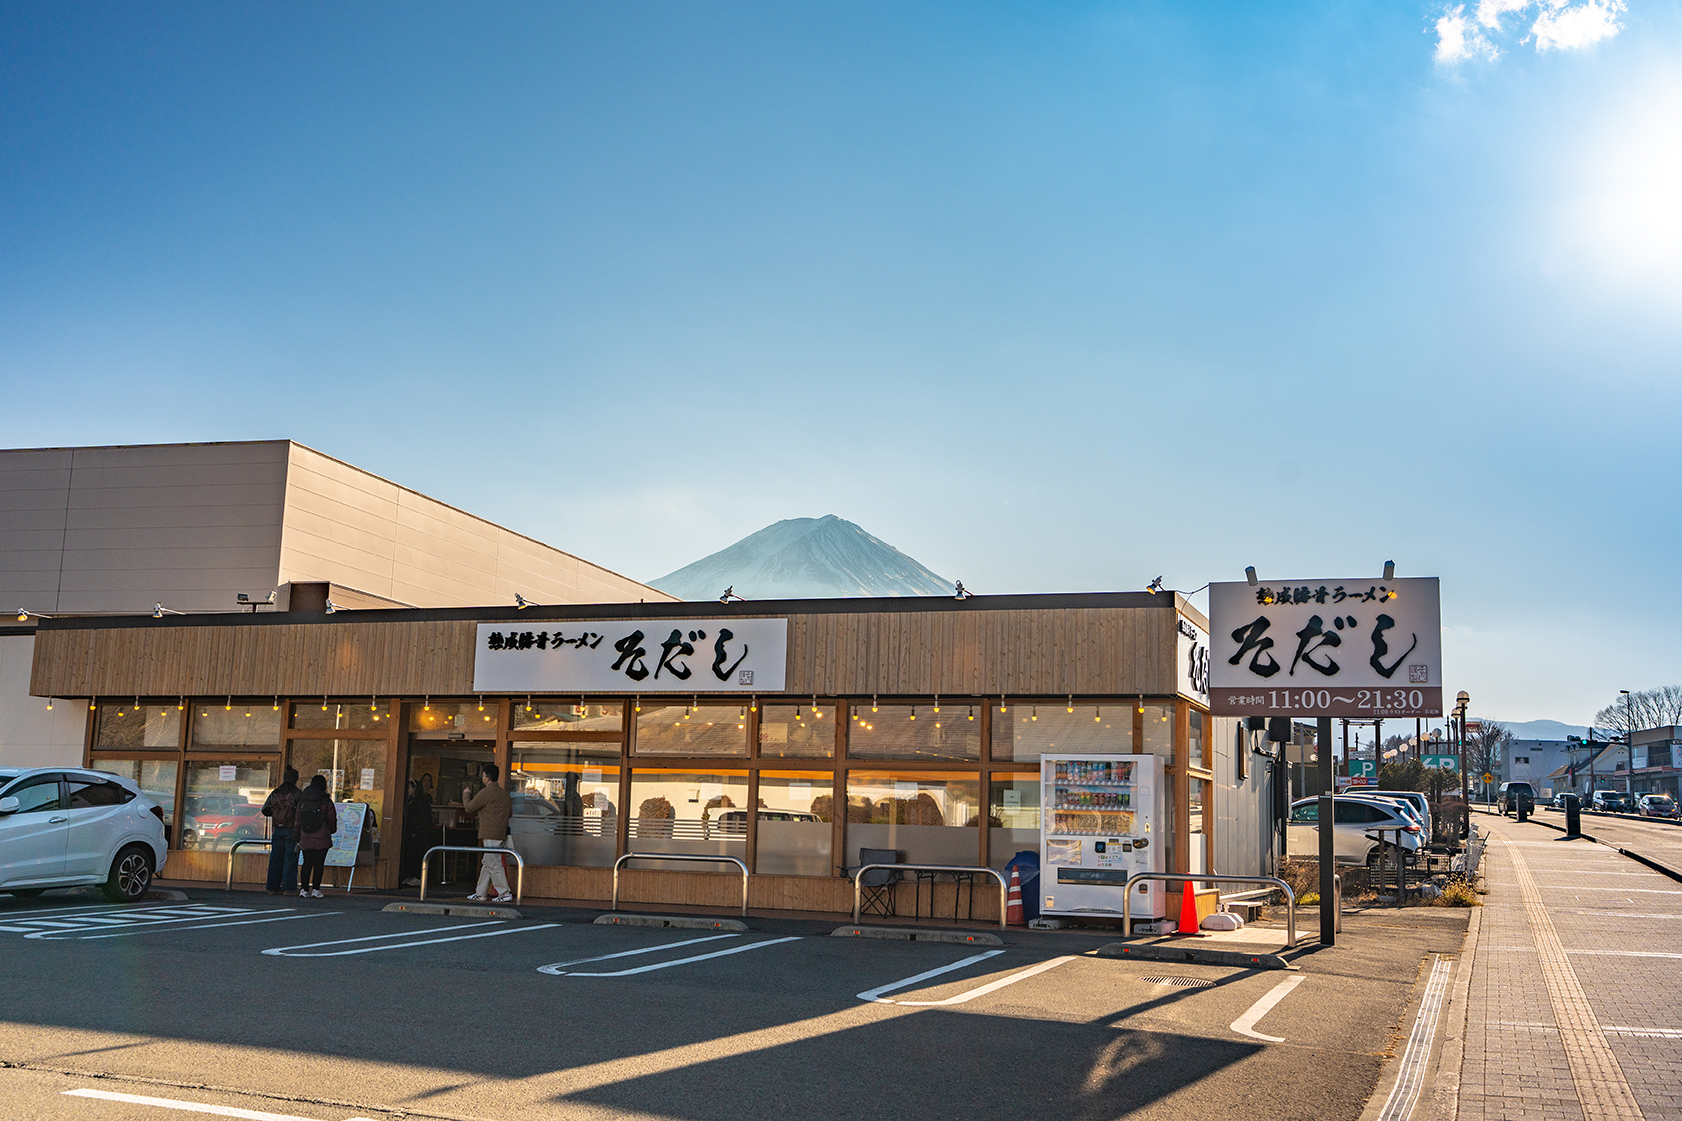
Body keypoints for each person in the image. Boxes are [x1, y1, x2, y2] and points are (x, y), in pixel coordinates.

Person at [460, 762, 513, 902]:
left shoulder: (485, 793)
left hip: (489, 833)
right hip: (500, 833)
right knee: (488, 862)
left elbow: (469, 808)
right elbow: (510, 813)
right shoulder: (504, 794)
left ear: (487, 778)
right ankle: (480, 893)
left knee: (493, 863)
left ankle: (505, 893)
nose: (483, 778)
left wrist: (466, 795)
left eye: (483, 776)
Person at [294, 774, 338, 899]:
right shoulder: (326, 801)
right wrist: (331, 831)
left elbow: (297, 821)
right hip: (321, 836)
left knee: (306, 863)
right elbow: (332, 819)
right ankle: (316, 889)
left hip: (305, 836)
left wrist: (297, 837)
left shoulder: (302, 801)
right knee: (319, 864)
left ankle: (304, 889)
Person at [260, 766, 301, 895]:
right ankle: (288, 888)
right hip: (291, 829)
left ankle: (272, 887)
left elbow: (265, 810)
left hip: (277, 829)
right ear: (295, 779)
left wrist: (276, 814)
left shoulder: (275, 793)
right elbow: (301, 811)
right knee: (290, 858)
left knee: (275, 858)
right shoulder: (297, 794)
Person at [400, 778, 434, 887]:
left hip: (418, 834)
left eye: (409, 787)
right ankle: (409, 875)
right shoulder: (410, 801)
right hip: (410, 833)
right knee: (409, 855)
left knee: (417, 855)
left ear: (415, 788)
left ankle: (418, 877)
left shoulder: (421, 802)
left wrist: (418, 831)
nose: (407, 790)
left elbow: (423, 820)